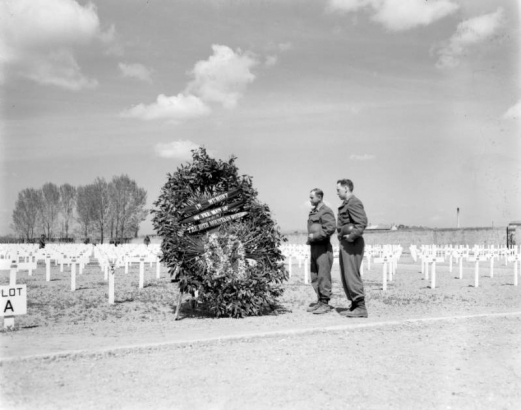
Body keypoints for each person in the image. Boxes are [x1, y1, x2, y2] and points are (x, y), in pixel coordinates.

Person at [336, 179, 369, 318]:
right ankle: (355, 305)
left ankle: (361, 307)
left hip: (353, 243)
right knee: (346, 275)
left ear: (346, 188)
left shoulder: (354, 202)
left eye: (338, 190)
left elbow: (361, 223)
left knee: (351, 274)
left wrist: (351, 236)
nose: (337, 193)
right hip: (346, 243)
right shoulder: (346, 204)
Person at [306, 188, 337, 314]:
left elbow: (330, 228)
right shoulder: (313, 212)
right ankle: (320, 300)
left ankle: (325, 302)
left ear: (319, 197)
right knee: (314, 275)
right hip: (314, 247)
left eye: (312, 197)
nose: (310, 200)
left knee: (323, 275)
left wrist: (316, 236)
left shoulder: (326, 211)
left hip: (323, 247)